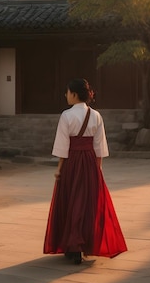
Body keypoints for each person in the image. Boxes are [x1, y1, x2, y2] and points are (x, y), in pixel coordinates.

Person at [43, 78, 127, 264]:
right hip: (89, 162)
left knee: (71, 202)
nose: (66, 95)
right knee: (87, 204)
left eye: (67, 92)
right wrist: (98, 169)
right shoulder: (96, 116)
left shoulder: (66, 116)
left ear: (74, 94)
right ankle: (83, 243)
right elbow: (100, 146)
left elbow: (63, 147)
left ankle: (72, 247)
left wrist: (59, 170)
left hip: (72, 162)